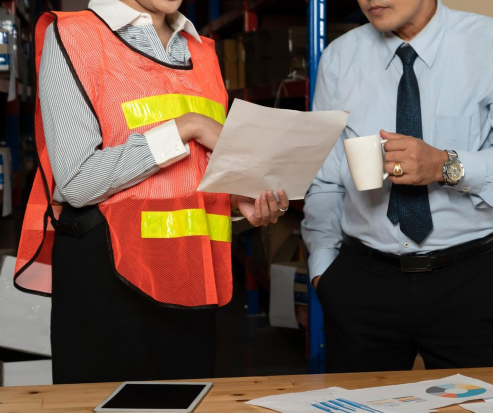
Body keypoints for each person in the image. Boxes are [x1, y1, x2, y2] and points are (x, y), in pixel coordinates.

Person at [13, 0, 289, 384]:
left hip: (190, 276)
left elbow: (197, 170)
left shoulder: (201, 50)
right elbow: (77, 182)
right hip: (109, 276)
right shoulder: (76, 35)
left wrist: (239, 199)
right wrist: (186, 126)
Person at [304, 0, 493, 372]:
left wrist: (446, 166)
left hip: (466, 283)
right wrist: (324, 270)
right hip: (362, 283)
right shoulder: (339, 58)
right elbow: (324, 177)